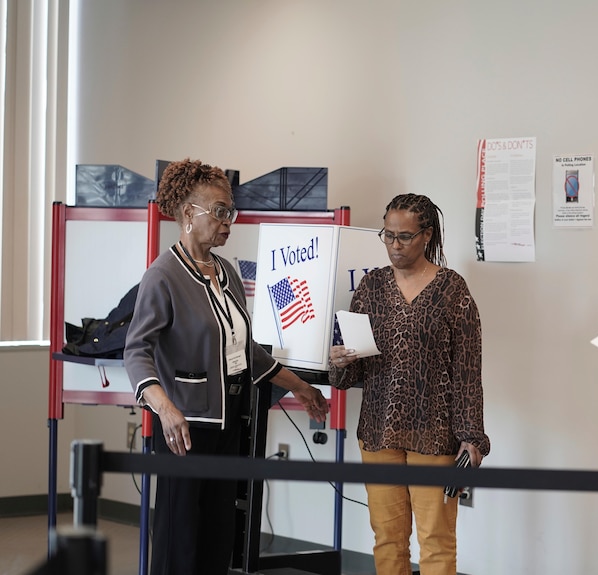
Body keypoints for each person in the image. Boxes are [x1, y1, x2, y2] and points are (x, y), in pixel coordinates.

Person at [123, 159, 329, 575]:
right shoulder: (162, 277)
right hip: (185, 429)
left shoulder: (227, 273)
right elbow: (136, 351)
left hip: (229, 423)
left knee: (219, 535)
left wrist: (301, 386)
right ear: (187, 214)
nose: (227, 221)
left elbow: (245, 350)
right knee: (179, 537)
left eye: (229, 211)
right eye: (218, 211)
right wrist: (165, 408)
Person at [329, 193, 490, 575]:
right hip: (378, 430)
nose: (394, 245)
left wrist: (472, 436)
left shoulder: (452, 290)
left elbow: (468, 369)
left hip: (434, 434)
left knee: (435, 541)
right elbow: (351, 374)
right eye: (387, 236)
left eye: (404, 236)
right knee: (387, 537)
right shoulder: (370, 287)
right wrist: (339, 362)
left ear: (427, 236)